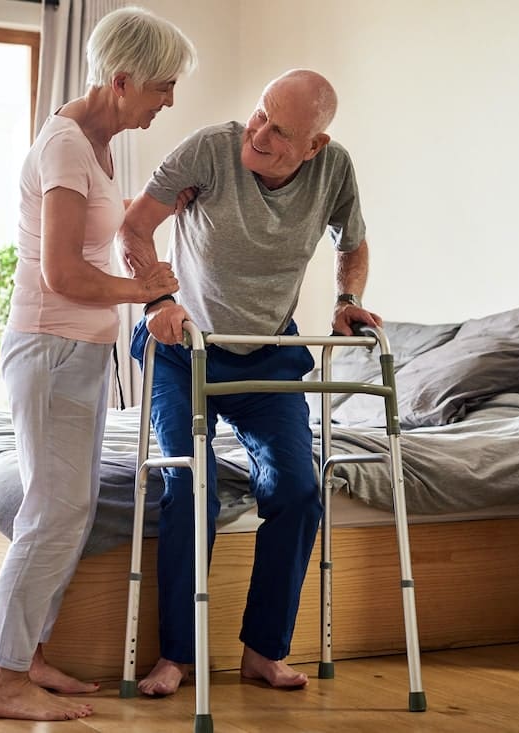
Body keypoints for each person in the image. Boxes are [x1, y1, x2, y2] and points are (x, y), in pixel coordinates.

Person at [120, 68, 383, 697]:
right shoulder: (210, 149)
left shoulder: (334, 169)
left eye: (280, 130)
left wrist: (348, 299)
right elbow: (134, 226)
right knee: (192, 481)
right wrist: (158, 300)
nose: (259, 133)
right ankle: (176, 656)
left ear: (314, 145)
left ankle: (263, 651)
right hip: (185, 347)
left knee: (296, 488)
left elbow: (354, 242)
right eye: (260, 114)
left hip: (269, 353)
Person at [0, 7, 195, 721]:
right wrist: (152, 291)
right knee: (54, 510)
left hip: (82, 348)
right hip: (52, 344)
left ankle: (32, 655)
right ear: (124, 80)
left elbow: (94, 232)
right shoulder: (68, 148)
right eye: (162, 87)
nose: (168, 100)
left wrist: (154, 213)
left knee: (67, 512)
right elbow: (65, 274)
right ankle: (3, 679)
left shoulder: (96, 147)